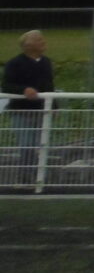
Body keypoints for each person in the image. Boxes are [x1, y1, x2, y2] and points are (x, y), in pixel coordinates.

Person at [3, 30, 55, 178]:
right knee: (26, 143)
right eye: (39, 40)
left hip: (40, 110)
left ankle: (39, 172)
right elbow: (7, 85)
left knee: (40, 143)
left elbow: (49, 85)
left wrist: (53, 105)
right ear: (27, 45)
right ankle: (26, 173)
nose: (43, 42)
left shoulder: (46, 62)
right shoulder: (14, 63)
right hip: (21, 110)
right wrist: (24, 90)